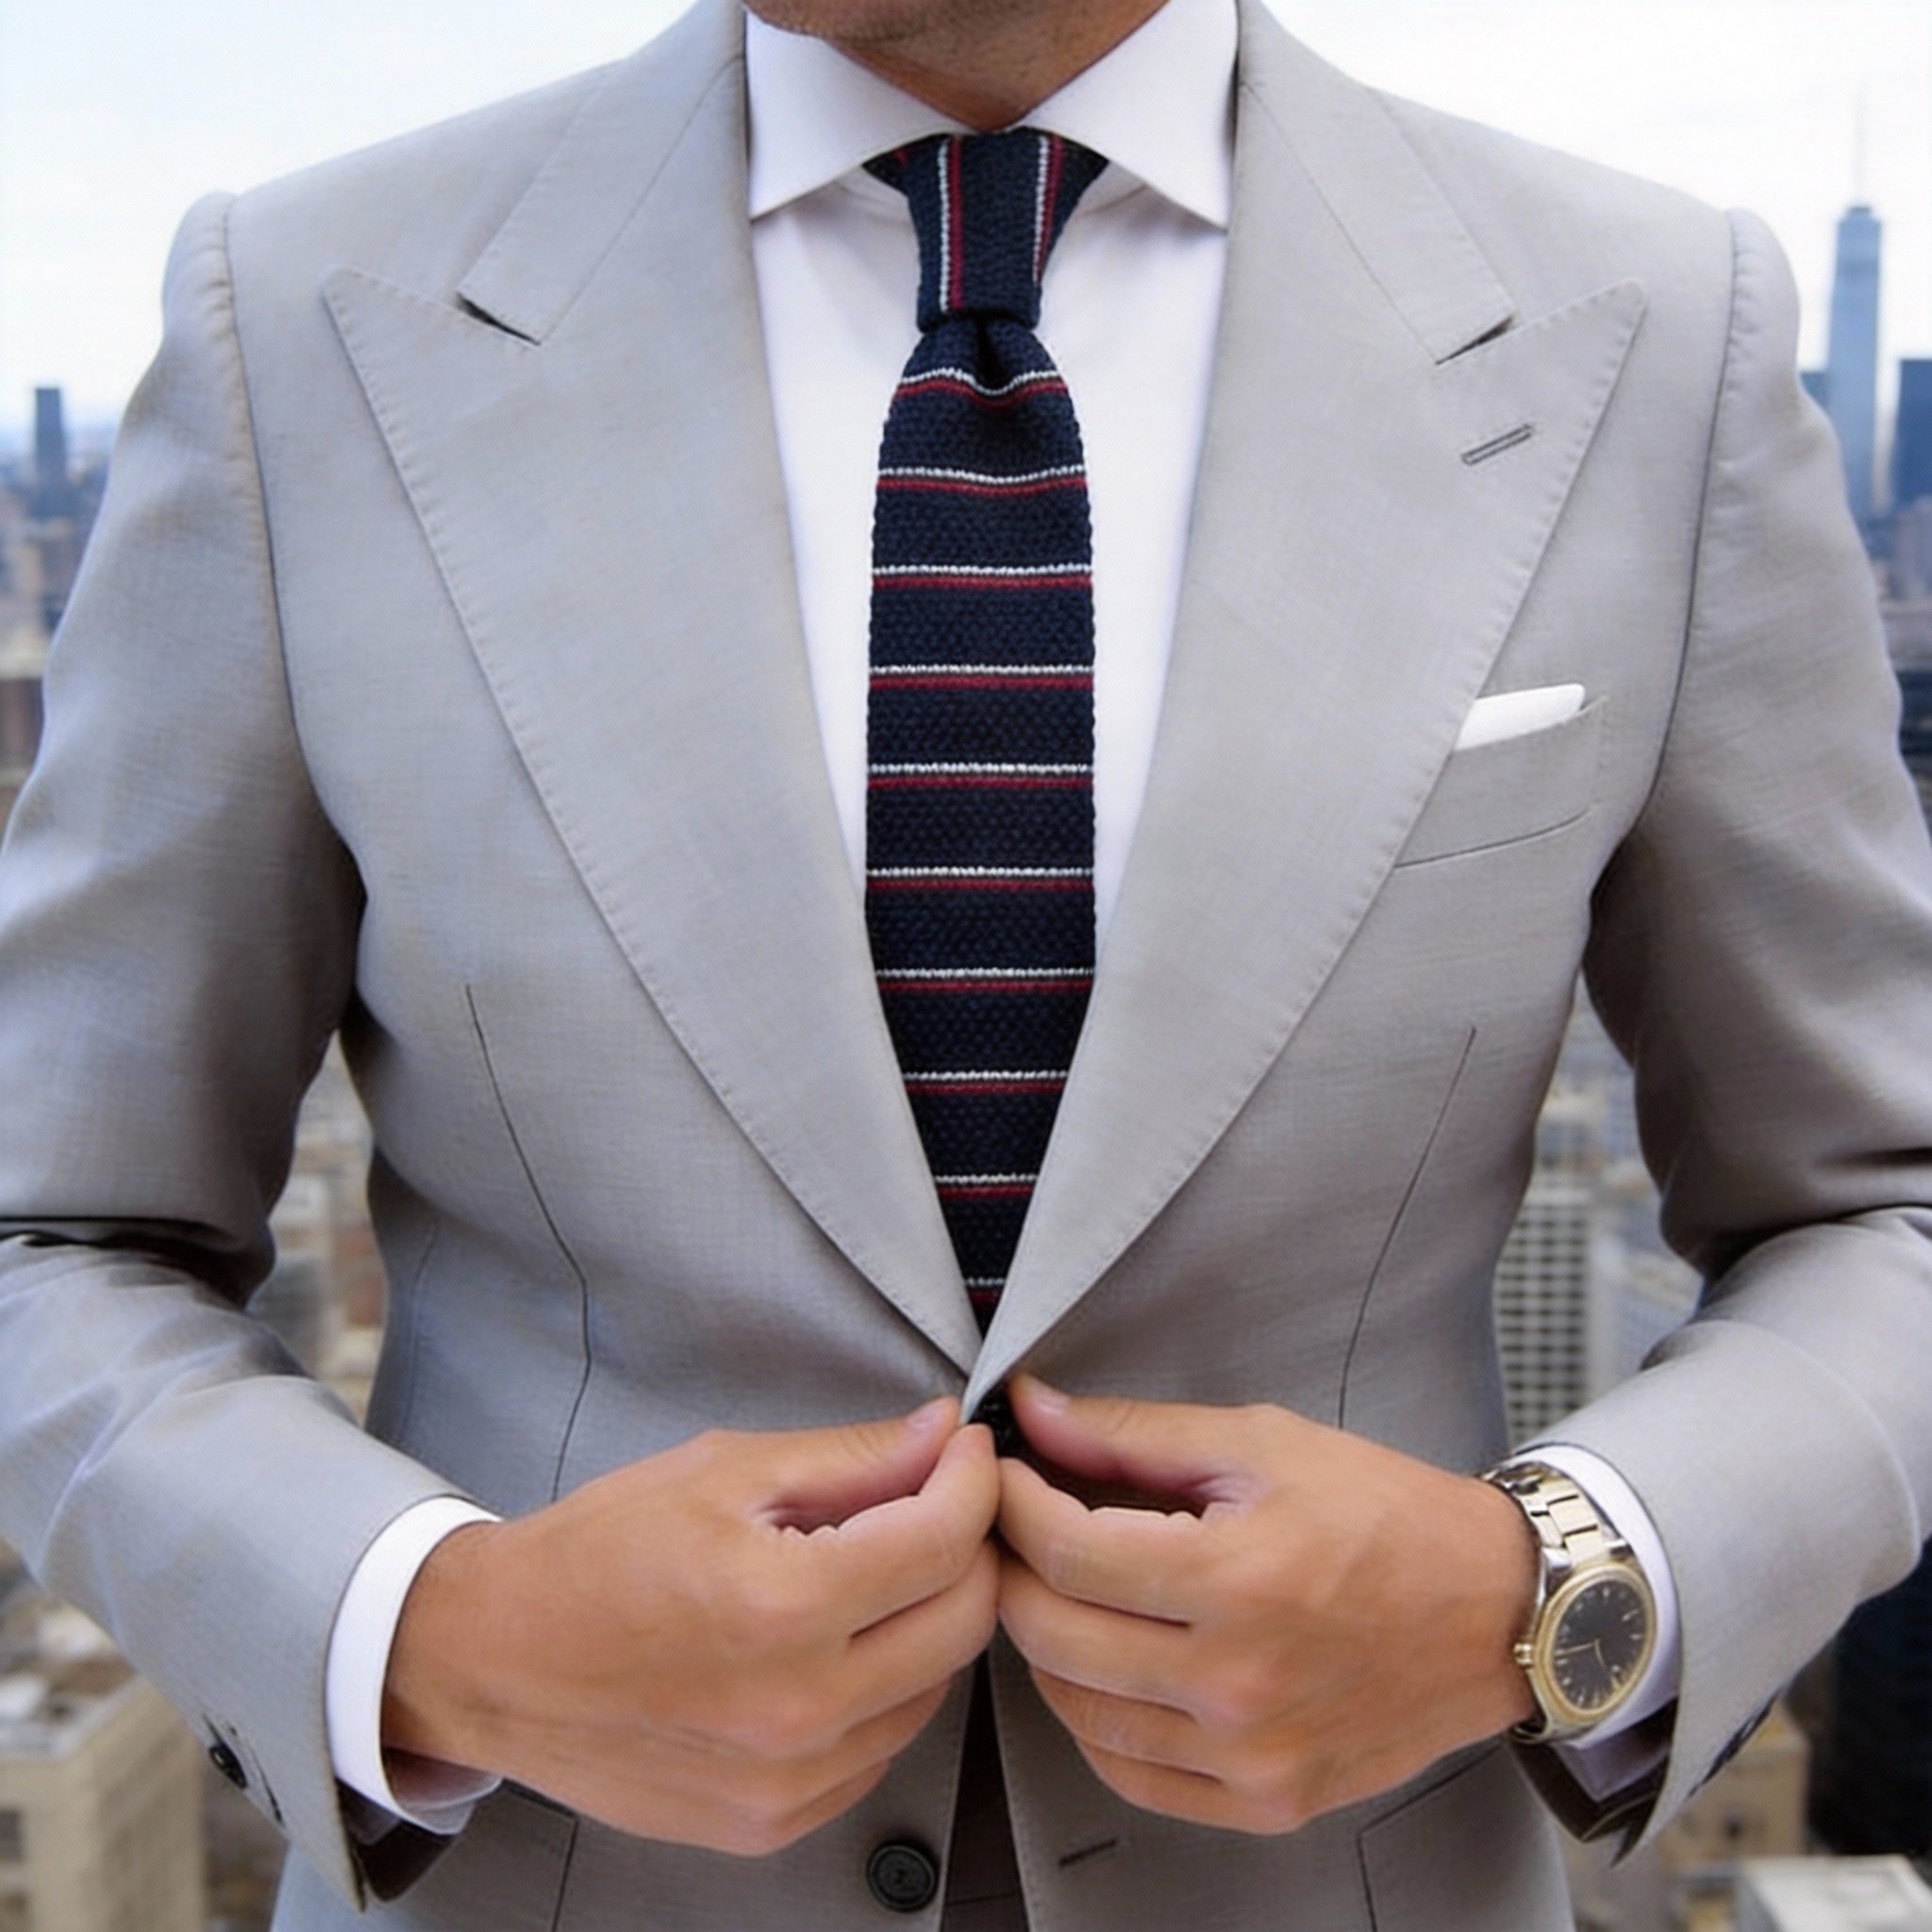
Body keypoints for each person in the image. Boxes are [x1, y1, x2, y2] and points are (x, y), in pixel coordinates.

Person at [0, 0, 1929, 1924]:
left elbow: (1881, 1207)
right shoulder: (308, 316)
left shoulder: (1658, 333)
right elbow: (55, 1233)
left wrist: (1546, 1592)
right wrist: (439, 1632)